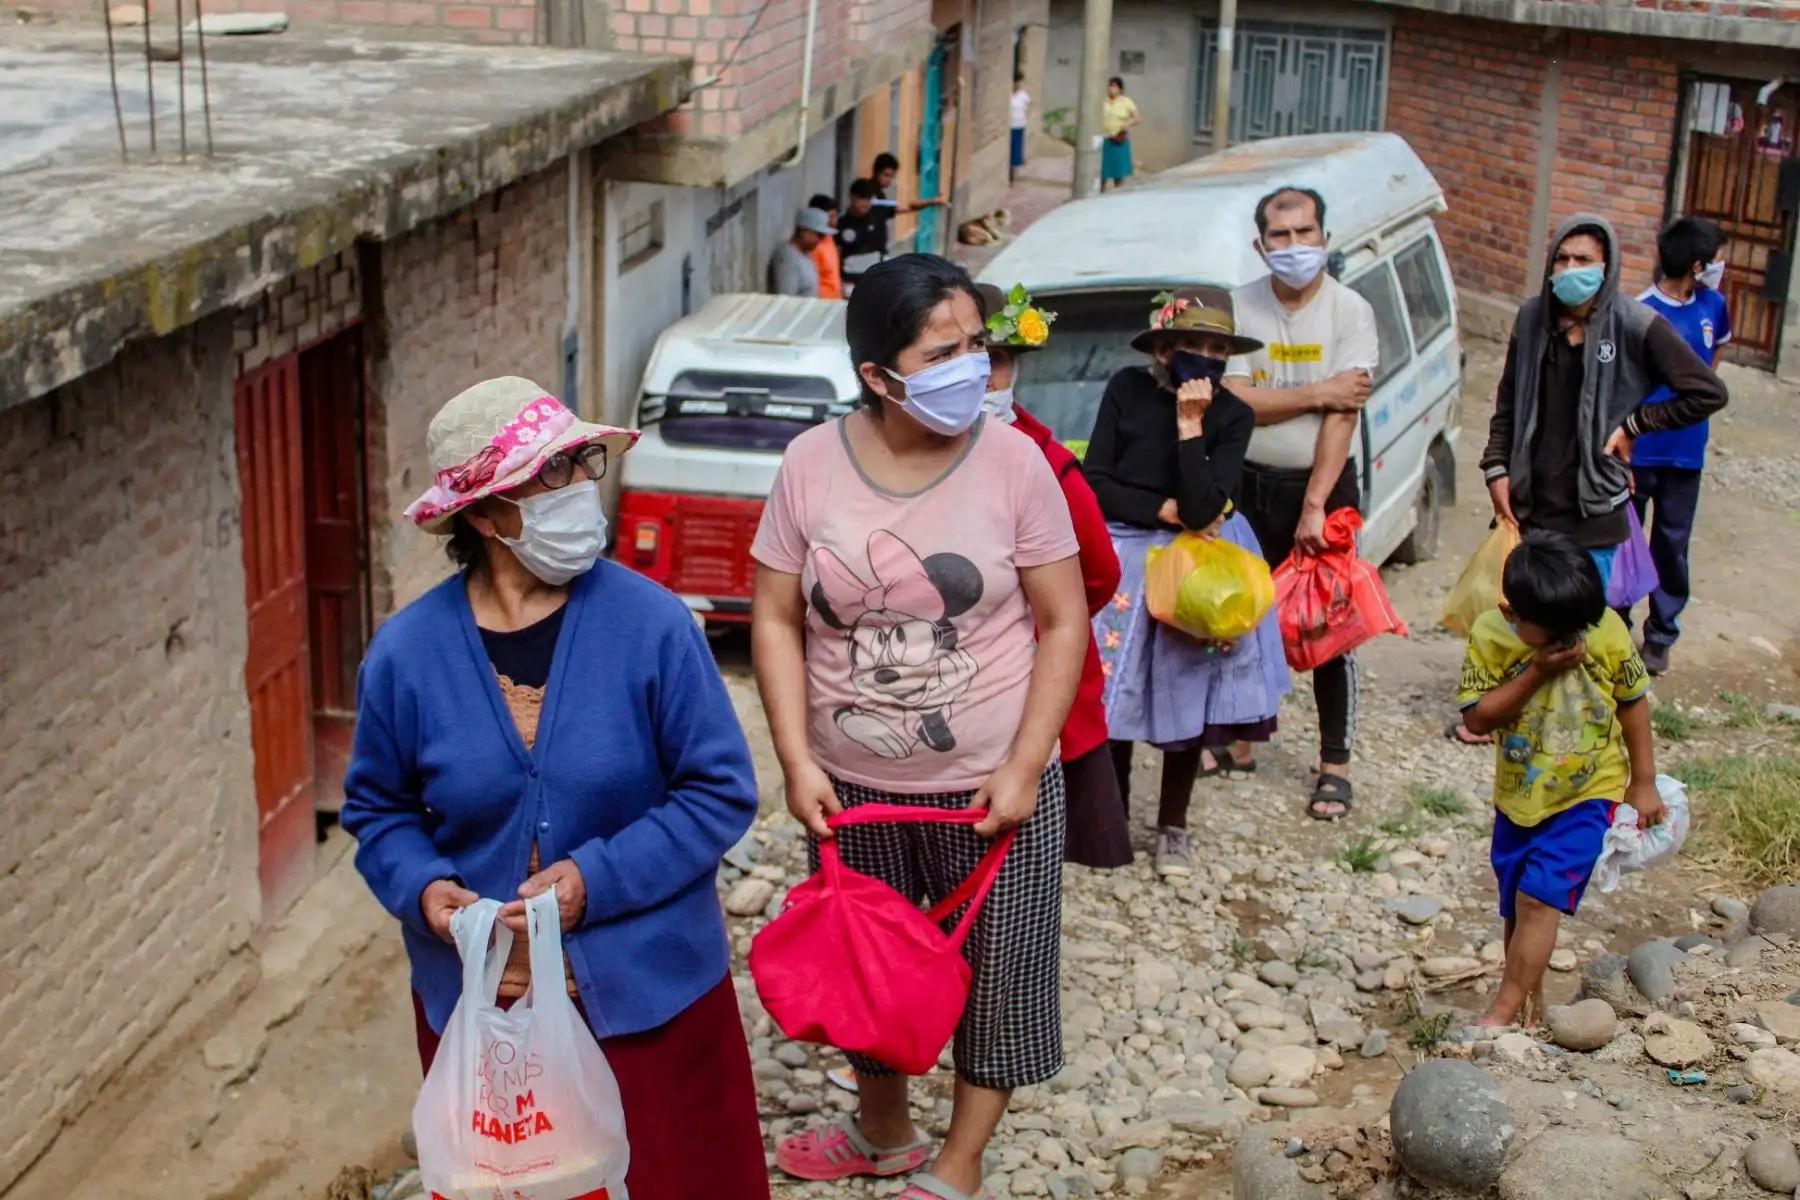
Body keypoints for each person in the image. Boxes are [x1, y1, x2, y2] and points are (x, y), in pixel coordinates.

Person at [340, 377, 769, 1198]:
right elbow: (379, 810)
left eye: (581, 463)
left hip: (653, 1001)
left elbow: (717, 790)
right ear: (485, 515)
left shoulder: (653, 627)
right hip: (489, 1014)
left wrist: (594, 880)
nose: (580, 488)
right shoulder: (408, 656)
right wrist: (425, 891)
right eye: (551, 475)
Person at [752, 254, 1088, 1200]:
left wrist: (1027, 765)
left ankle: (960, 1160)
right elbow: (775, 617)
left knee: (1001, 975)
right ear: (876, 375)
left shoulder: (1016, 463)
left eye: (976, 345)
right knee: (864, 973)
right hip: (852, 791)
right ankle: (884, 1130)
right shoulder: (810, 464)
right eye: (944, 352)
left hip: (990, 790)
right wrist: (795, 757)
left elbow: (1062, 621)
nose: (971, 369)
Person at [1449, 215, 1729, 748]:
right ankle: (1511, 720)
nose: (1571, 270)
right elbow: (1507, 404)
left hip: (1595, 508)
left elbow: (1706, 391)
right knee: (1520, 619)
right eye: (1563, 259)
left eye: (1585, 261)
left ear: (1608, 267)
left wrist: (1636, 425)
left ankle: (1583, 732)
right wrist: (1495, 467)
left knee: (1584, 631)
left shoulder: (1632, 324)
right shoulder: (1532, 319)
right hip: (1531, 505)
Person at [1086, 288, 1291, 876]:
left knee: (1186, 686)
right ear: (1167, 346)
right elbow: (1098, 481)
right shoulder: (1126, 389)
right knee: (1114, 688)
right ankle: (1112, 822)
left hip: (1198, 564)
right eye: (1194, 344)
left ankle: (1173, 825)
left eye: (1218, 347)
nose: (1206, 356)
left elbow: (1206, 509)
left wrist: (1189, 425)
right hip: (1125, 554)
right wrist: (1163, 510)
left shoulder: (1233, 414)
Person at [1456, 529, 1664, 1028]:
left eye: (1580, 628)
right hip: (1518, 798)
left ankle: (1501, 1013)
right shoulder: (1490, 634)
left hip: (1588, 794)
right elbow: (1477, 720)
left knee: (1538, 898)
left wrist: (1644, 780)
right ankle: (1529, 1011)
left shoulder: (1604, 629)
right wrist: (1536, 672)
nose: (1573, 641)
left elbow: (1632, 701)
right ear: (1513, 614)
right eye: (1556, 633)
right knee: (1518, 903)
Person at [1223, 186, 1378, 821]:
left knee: (1329, 625)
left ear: (1325, 238)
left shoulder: (1352, 311)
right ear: (1261, 245)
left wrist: (1316, 504)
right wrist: (1321, 390)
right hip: (1249, 482)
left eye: (1305, 232)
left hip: (1321, 489)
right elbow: (1238, 402)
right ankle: (1239, 740)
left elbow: (1345, 416)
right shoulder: (1238, 306)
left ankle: (1334, 764)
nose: (1294, 247)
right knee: (1241, 614)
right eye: (1280, 237)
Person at [978, 280, 1130, 869]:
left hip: (1030, 676)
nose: (985, 376)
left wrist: (1038, 623)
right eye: (967, 359)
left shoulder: (1050, 464)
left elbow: (1097, 573)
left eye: (997, 361)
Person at [1630, 216, 1731, 676]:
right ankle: (1614, 622)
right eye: (1712, 259)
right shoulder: (1640, 312)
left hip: (1687, 451)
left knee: (1672, 543)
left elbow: (1714, 364)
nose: (1718, 266)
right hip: (1638, 450)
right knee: (1627, 541)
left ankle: (1660, 635)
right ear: (1696, 264)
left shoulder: (1714, 305)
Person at [838, 154, 948, 286]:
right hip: (854, 271)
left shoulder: (880, 200)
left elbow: (906, 207)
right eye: (886, 175)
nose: (889, 180)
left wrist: (932, 201)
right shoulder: (849, 218)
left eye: (891, 176)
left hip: (875, 264)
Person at [769, 206, 832, 297]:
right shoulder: (787, 257)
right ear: (804, 231)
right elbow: (786, 298)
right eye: (819, 235)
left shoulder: (805, 254)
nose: (820, 240)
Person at [1100, 77, 1138, 191]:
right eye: (1110, 86)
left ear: (1120, 89)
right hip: (1105, 137)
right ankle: (1101, 189)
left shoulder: (1126, 102)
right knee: (1103, 168)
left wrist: (1127, 125)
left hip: (1119, 138)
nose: (1111, 89)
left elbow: (1137, 117)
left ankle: (1117, 189)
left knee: (1118, 169)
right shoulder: (1104, 101)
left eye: (1115, 86)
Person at [809, 192, 845, 300]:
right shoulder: (813, 245)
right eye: (830, 217)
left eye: (835, 216)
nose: (834, 221)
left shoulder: (829, 238)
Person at [1010, 72, 1031, 180]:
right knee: (1010, 148)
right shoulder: (1008, 95)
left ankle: (1014, 172)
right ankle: (1010, 171)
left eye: (1019, 82)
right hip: (1009, 126)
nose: (1018, 85)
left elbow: (1028, 108)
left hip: (1019, 125)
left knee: (1017, 149)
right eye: (1016, 82)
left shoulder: (1024, 96)